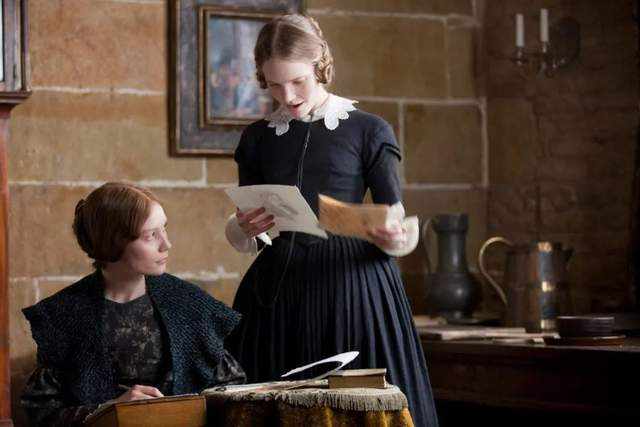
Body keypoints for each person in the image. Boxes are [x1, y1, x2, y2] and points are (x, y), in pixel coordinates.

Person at [224, 14, 438, 427]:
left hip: (354, 290)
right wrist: (243, 229)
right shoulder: (256, 138)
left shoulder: (368, 130)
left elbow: (399, 218)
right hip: (278, 296)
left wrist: (392, 235)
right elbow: (247, 221)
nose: (287, 95)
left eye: (297, 81)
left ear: (319, 62)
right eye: (274, 85)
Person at [21, 182, 245, 427]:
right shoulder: (64, 314)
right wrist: (110, 411)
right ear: (113, 241)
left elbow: (233, 391)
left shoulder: (189, 304)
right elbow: (41, 412)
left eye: (164, 229)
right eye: (151, 235)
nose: (166, 244)